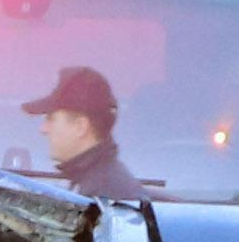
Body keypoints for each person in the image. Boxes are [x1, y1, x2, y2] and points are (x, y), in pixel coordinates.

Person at [26, 66, 153, 203]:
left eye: (51, 119)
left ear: (81, 127)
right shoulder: (94, 183)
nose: (43, 129)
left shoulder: (105, 197)